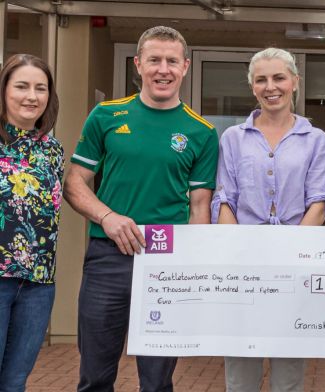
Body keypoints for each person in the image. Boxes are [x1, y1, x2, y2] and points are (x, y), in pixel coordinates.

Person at [63, 26, 218, 392]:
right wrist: (107, 217)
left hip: (168, 262)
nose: (162, 69)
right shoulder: (106, 116)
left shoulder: (202, 132)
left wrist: (194, 269)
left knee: (157, 381)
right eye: (154, 60)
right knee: (96, 376)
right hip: (108, 255)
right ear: (138, 64)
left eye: (171, 61)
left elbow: (200, 206)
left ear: (185, 67)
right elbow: (74, 182)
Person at [211, 47, 325, 392]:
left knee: (288, 373)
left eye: (279, 77)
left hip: (292, 268)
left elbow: (319, 202)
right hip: (242, 264)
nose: (271, 86)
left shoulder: (316, 139)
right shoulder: (232, 138)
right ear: (252, 87)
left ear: (295, 81)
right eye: (261, 80)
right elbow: (225, 199)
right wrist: (237, 251)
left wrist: (290, 253)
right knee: (240, 371)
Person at [0, 54, 62, 392]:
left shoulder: (52, 149)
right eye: (21, 86)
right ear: (4, 90)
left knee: (14, 382)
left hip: (38, 285)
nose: (32, 96)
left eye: (41, 88)